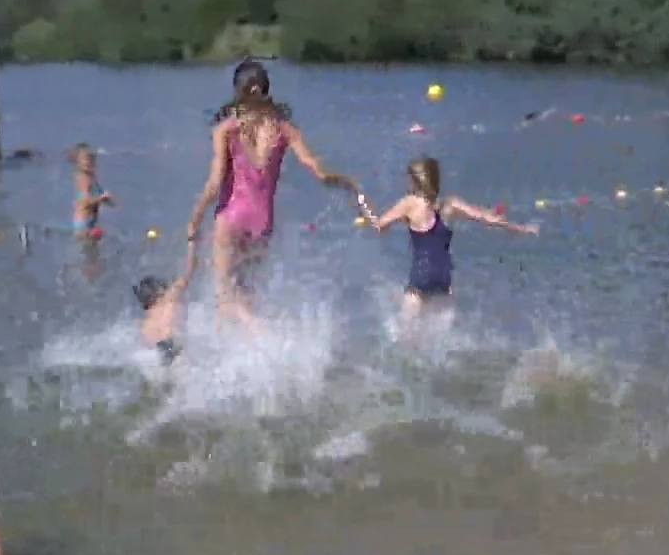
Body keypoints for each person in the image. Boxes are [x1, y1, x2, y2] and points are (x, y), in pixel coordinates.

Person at [183, 60, 366, 319]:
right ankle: (257, 347)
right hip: (262, 223)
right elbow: (319, 171)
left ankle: (259, 339)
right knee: (245, 293)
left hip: (231, 217)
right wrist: (349, 183)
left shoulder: (226, 130)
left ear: (240, 91)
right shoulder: (285, 130)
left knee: (224, 298)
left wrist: (195, 219)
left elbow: (214, 184)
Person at [372, 156, 537, 319]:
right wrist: (518, 228)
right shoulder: (450, 204)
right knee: (440, 340)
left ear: (415, 181)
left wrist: (367, 212)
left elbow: (380, 226)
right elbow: (486, 218)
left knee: (404, 337)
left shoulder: (408, 203)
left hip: (420, 276)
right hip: (443, 279)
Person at [134, 272, 189, 366]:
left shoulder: (143, 325)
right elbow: (180, 283)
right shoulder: (169, 303)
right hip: (171, 343)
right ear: (159, 295)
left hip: (156, 352)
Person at [69, 143, 110, 233]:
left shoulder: (91, 178)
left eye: (92, 159)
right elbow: (85, 200)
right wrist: (100, 199)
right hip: (82, 222)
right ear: (77, 162)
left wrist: (108, 201)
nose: (90, 162)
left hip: (91, 221)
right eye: (86, 159)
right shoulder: (82, 178)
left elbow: (100, 193)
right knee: (84, 244)